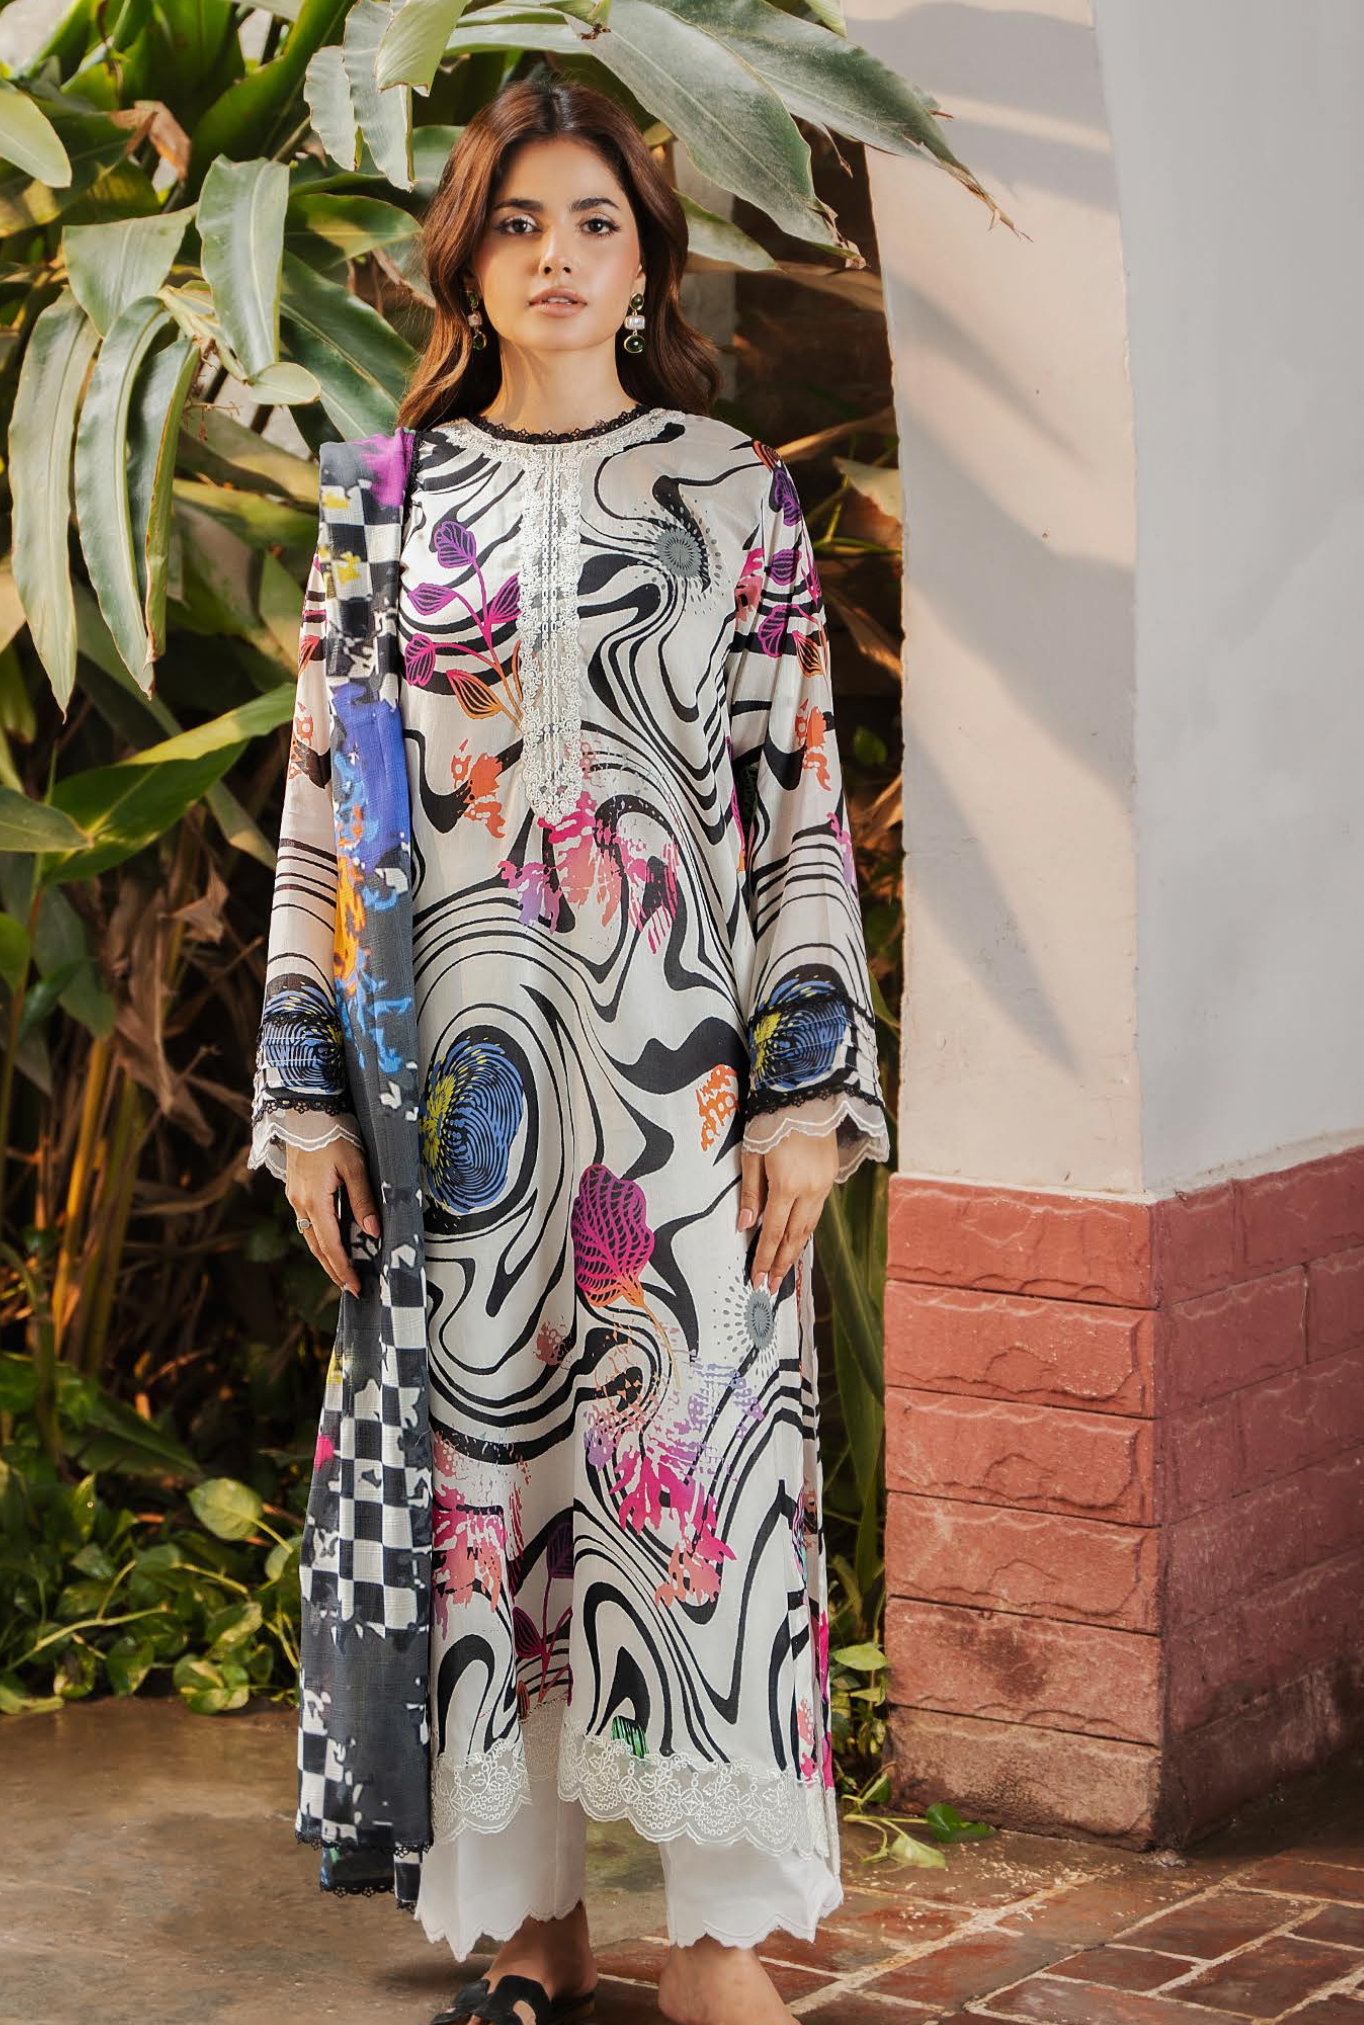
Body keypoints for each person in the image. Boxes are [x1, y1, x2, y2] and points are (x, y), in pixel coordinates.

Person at [250, 73, 890, 2025]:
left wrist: (803, 1092)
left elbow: (797, 795)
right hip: (456, 1115)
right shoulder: (381, 503)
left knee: (693, 1504)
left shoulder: (730, 494)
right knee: (496, 1513)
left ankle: (714, 1945)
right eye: (519, 221)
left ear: (644, 257)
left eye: (593, 221)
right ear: (469, 255)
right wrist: (300, 1099)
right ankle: (528, 1927)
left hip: (679, 1114)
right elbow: (329, 817)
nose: (556, 256)